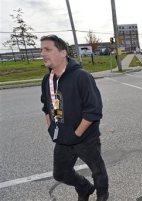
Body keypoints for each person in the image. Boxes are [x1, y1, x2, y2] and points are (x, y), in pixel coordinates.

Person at [40, 35, 109, 201]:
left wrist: (76, 134)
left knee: (98, 171)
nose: (42, 53)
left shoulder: (81, 77)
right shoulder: (47, 80)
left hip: (85, 138)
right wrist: (51, 127)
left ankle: (102, 195)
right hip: (62, 138)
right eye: (41, 50)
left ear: (63, 52)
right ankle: (84, 187)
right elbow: (46, 106)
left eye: (47, 49)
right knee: (60, 174)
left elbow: (93, 110)